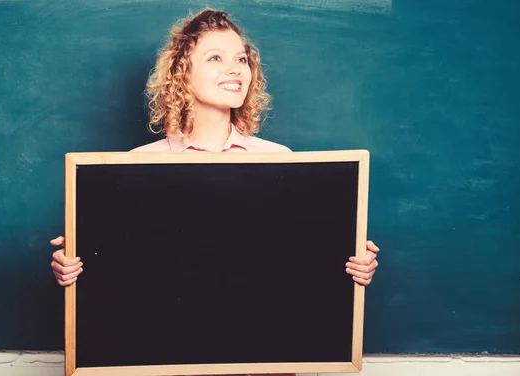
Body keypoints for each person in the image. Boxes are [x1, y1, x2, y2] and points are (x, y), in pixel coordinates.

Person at [50, 8, 380, 376]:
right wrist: (77, 266)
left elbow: (299, 265)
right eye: (216, 58)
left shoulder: (282, 163)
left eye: (242, 58)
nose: (236, 68)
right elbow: (126, 277)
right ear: (182, 74)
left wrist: (348, 263)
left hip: (265, 357)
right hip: (166, 354)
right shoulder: (134, 167)